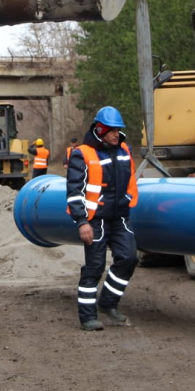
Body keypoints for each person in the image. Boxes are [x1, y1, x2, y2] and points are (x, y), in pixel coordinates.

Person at [66, 106, 139, 331]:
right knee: (95, 267)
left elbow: (130, 181)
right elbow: (74, 192)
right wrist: (82, 222)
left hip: (119, 218)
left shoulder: (124, 150)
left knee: (128, 258)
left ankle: (108, 303)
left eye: (118, 130)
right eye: (111, 130)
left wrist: (127, 200)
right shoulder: (83, 154)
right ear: (99, 129)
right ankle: (87, 317)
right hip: (94, 221)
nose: (116, 134)